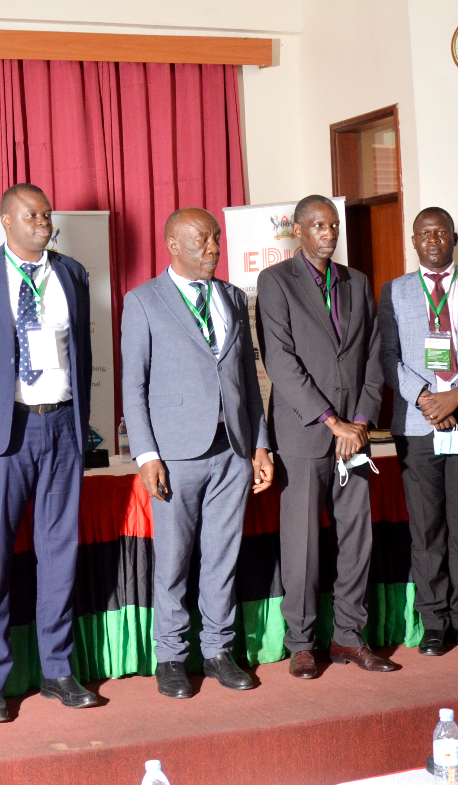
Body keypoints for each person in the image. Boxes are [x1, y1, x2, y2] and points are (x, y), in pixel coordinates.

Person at [0, 183, 101, 723]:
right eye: (32, 215)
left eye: (47, 215)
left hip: (61, 427)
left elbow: (84, 353)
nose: (43, 222)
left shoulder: (72, 274)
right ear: (6, 221)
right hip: (2, 433)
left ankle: (57, 670)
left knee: (61, 552)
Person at [122, 207, 273, 699]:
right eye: (203, 241)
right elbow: (133, 387)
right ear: (172, 244)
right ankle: (170, 656)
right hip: (175, 453)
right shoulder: (142, 302)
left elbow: (249, 382)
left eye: (216, 239)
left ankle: (217, 651)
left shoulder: (231, 295)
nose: (214, 249)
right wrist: (147, 455)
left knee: (222, 557)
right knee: (173, 559)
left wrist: (260, 444)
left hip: (232, 448)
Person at [255, 196, 397, 677]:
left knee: (358, 537)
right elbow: (280, 362)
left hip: (354, 436)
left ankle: (350, 639)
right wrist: (330, 420)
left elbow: (373, 359)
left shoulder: (357, 282)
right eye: (317, 225)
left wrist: (358, 422)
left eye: (332, 224)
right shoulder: (275, 282)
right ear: (298, 231)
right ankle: (301, 643)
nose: (328, 232)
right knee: (302, 542)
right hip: (303, 434)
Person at [377, 207, 458, 657]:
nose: (433, 240)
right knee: (426, 529)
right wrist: (427, 399)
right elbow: (386, 358)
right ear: (414, 241)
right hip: (417, 425)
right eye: (424, 234)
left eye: (440, 233)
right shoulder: (393, 292)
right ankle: (434, 623)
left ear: (452, 237)